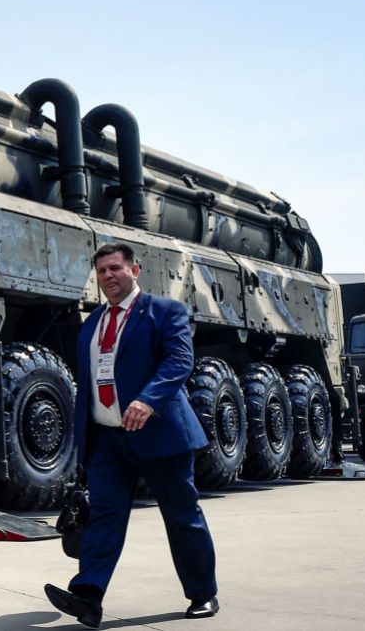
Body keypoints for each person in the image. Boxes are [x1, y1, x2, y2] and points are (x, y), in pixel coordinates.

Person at [43, 243, 218, 628]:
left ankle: (203, 593)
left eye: (116, 268)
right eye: (102, 270)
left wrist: (148, 400)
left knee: (181, 515)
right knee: (104, 514)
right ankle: (88, 596)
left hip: (160, 435)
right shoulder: (92, 324)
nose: (109, 276)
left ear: (134, 270)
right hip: (108, 439)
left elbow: (179, 360)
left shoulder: (164, 311)